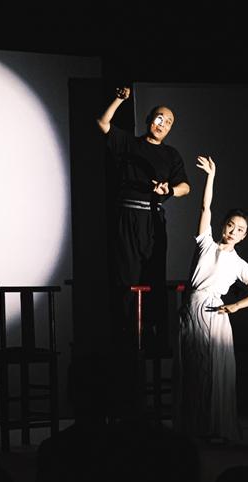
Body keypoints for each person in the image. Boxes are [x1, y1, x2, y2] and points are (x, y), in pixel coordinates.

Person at [177, 156, 248, 443]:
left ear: (244, 236)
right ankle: (194, 427)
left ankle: (214, 426)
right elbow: (205, 207)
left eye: (240, 230)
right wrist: (211, 177)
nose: (233, 232)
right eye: (230, 225)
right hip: (193, 309)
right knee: (193, 367)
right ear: (223, 226)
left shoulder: (239, 263)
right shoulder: (205, 243)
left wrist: (236, 306)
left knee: (214, 371)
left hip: (216, 315)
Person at [96, 86, 190, 362]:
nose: (163, 124)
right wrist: (118, 99)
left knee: (153, 275)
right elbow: (102, 123)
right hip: (127, 217)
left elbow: (185, 186)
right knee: (126, 277)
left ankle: (151, 336)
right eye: (159, 118)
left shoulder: (171, 155)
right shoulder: (130, 143)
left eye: (168, 122)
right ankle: (125, 336)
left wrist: (169, 190)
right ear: (150, 119)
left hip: (153, 218)